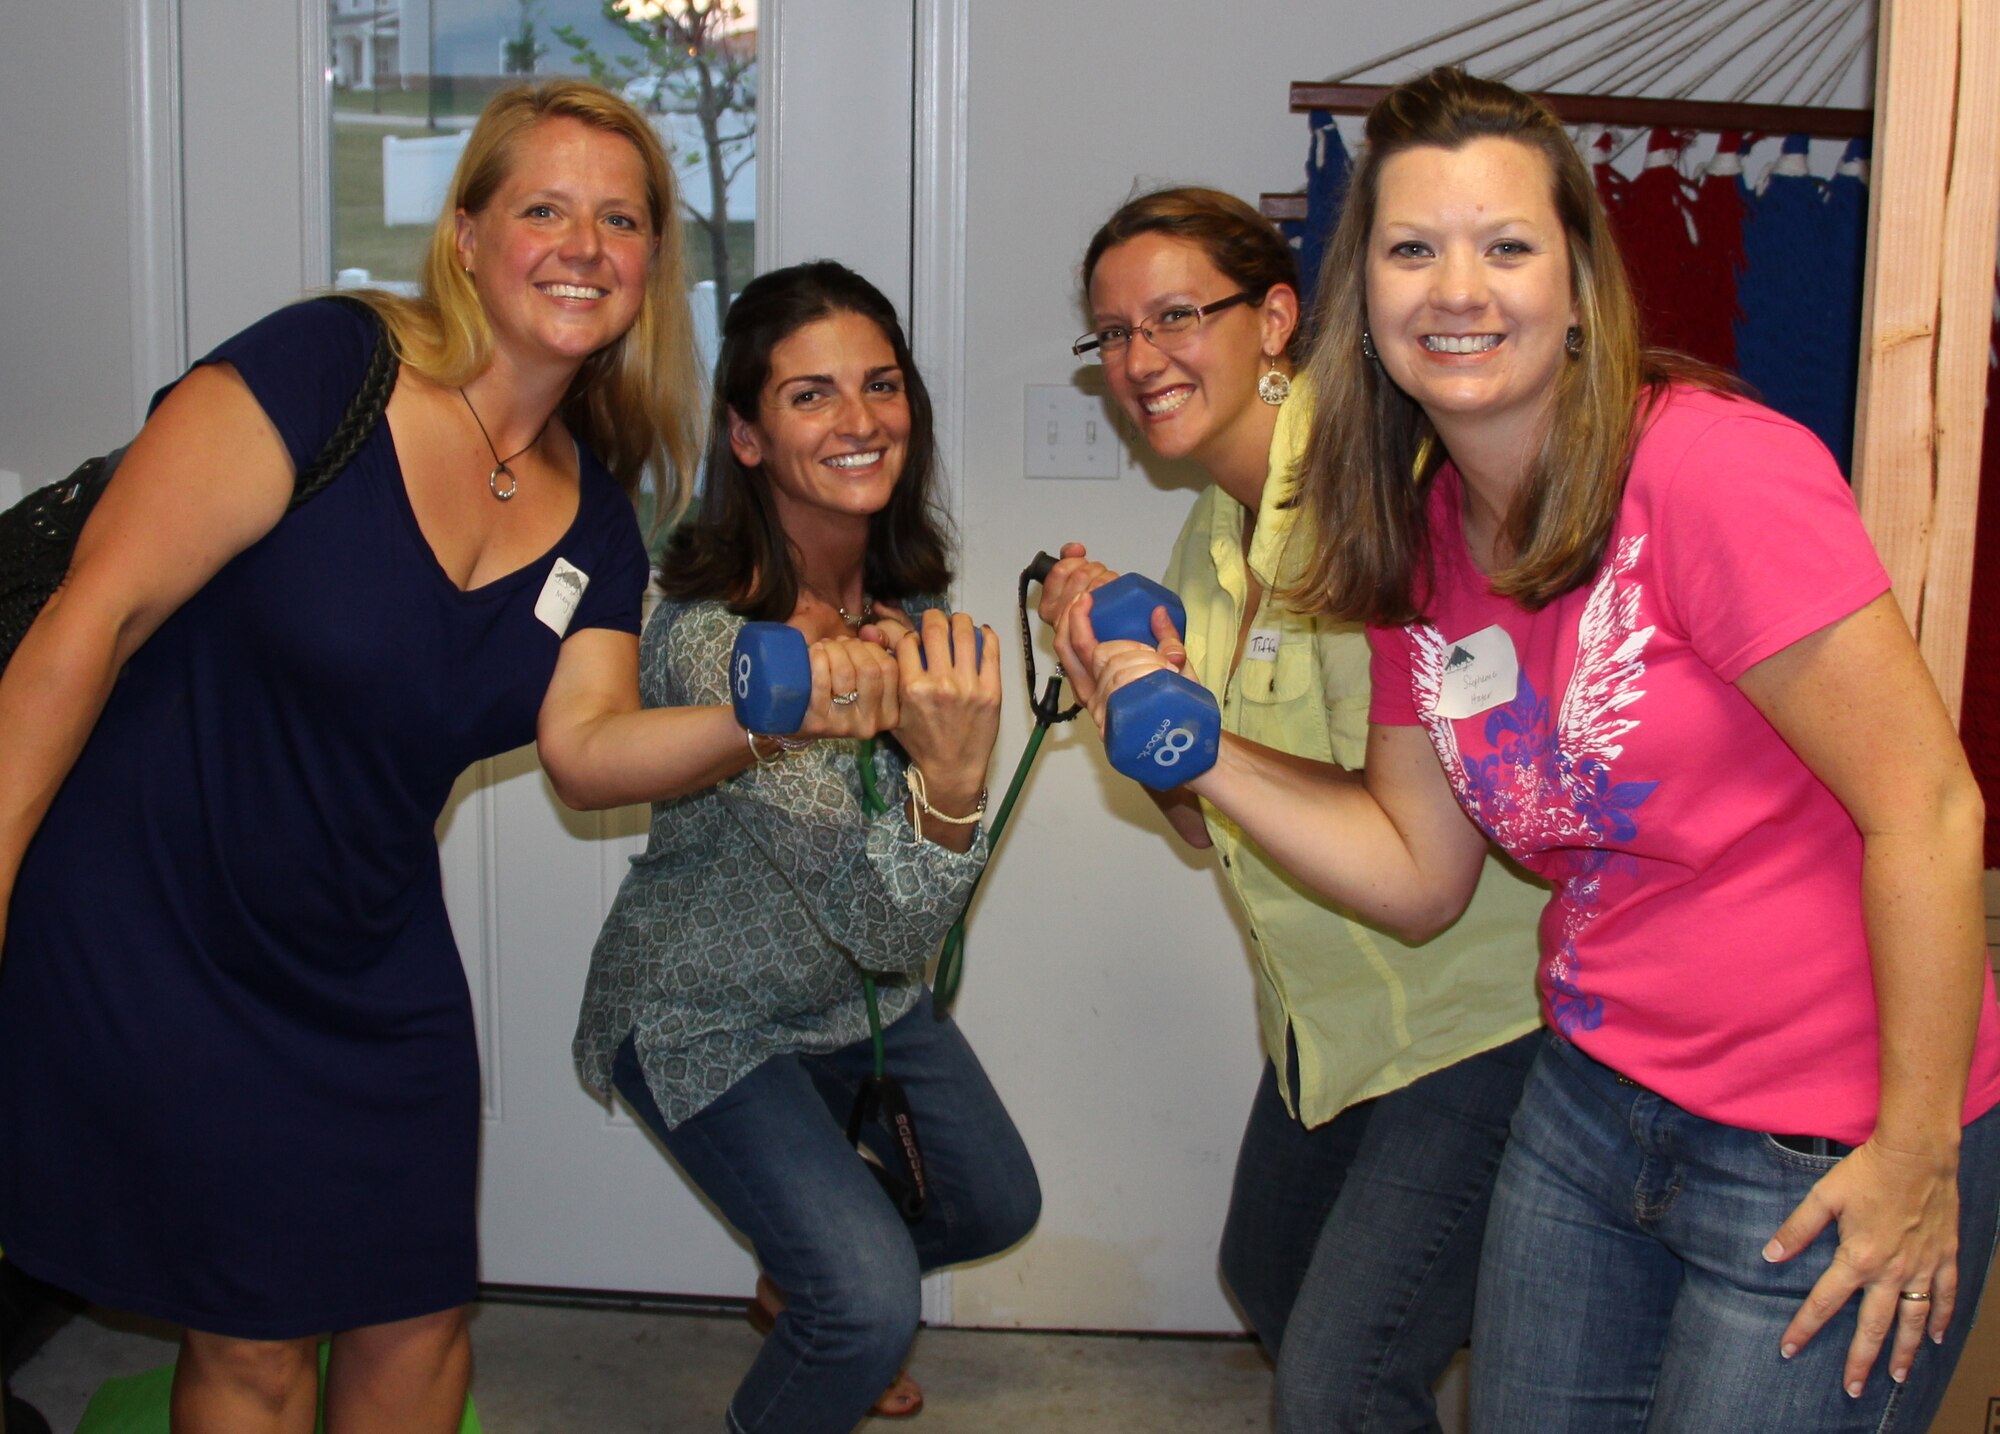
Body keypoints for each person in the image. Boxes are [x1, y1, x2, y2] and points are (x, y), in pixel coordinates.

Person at [1062, 67, 2000, 1433]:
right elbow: (1414, 866)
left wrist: (1919, 1150)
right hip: (1589, 1105)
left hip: (1822, 1133)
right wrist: (1186, 744)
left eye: (1506, 245)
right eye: (1410, 248)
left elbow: (1930, 807)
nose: (1459, 288)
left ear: (1577, 287)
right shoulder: (1412, 537)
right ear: (1357, 301)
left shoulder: (1711, 472)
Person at [0, 79, 733, 1431]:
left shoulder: (598, 523)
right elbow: (83, 624)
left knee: (421, 1317)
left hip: (368, 951)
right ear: (465, 235)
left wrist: (768, 711)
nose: (583, 244)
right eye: (544, 209)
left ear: (651, 264)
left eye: (619, 218)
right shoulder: (325, 369)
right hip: (163, 915)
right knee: (259, 1335)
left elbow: (586, 751)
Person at [1038, 188, 1545, 1431]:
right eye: (1111, 334)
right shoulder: (1204, 537)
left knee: (1339, 1379)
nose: (1139, 360)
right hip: (1328, 1023)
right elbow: (1210, 820)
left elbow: (1417, 837)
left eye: (1172, 317)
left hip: (1475, 1023)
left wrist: (1199, 744)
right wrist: (1124, 700)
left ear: (1273, 319)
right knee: (1264, 1276)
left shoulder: (1389, 493)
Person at [573, 259, 1041, 1434]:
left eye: (880, 386)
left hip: (858, 1004)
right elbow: (889, 912)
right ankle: (826, 1296)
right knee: (868, 1305)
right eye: (809, 396)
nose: (858, 421)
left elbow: (894, 928)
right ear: (744, 435)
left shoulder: (903, 612)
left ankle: (801, 1277)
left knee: (992, 1206)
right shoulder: (716, 647)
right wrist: (950, 779)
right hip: (704, 1014)